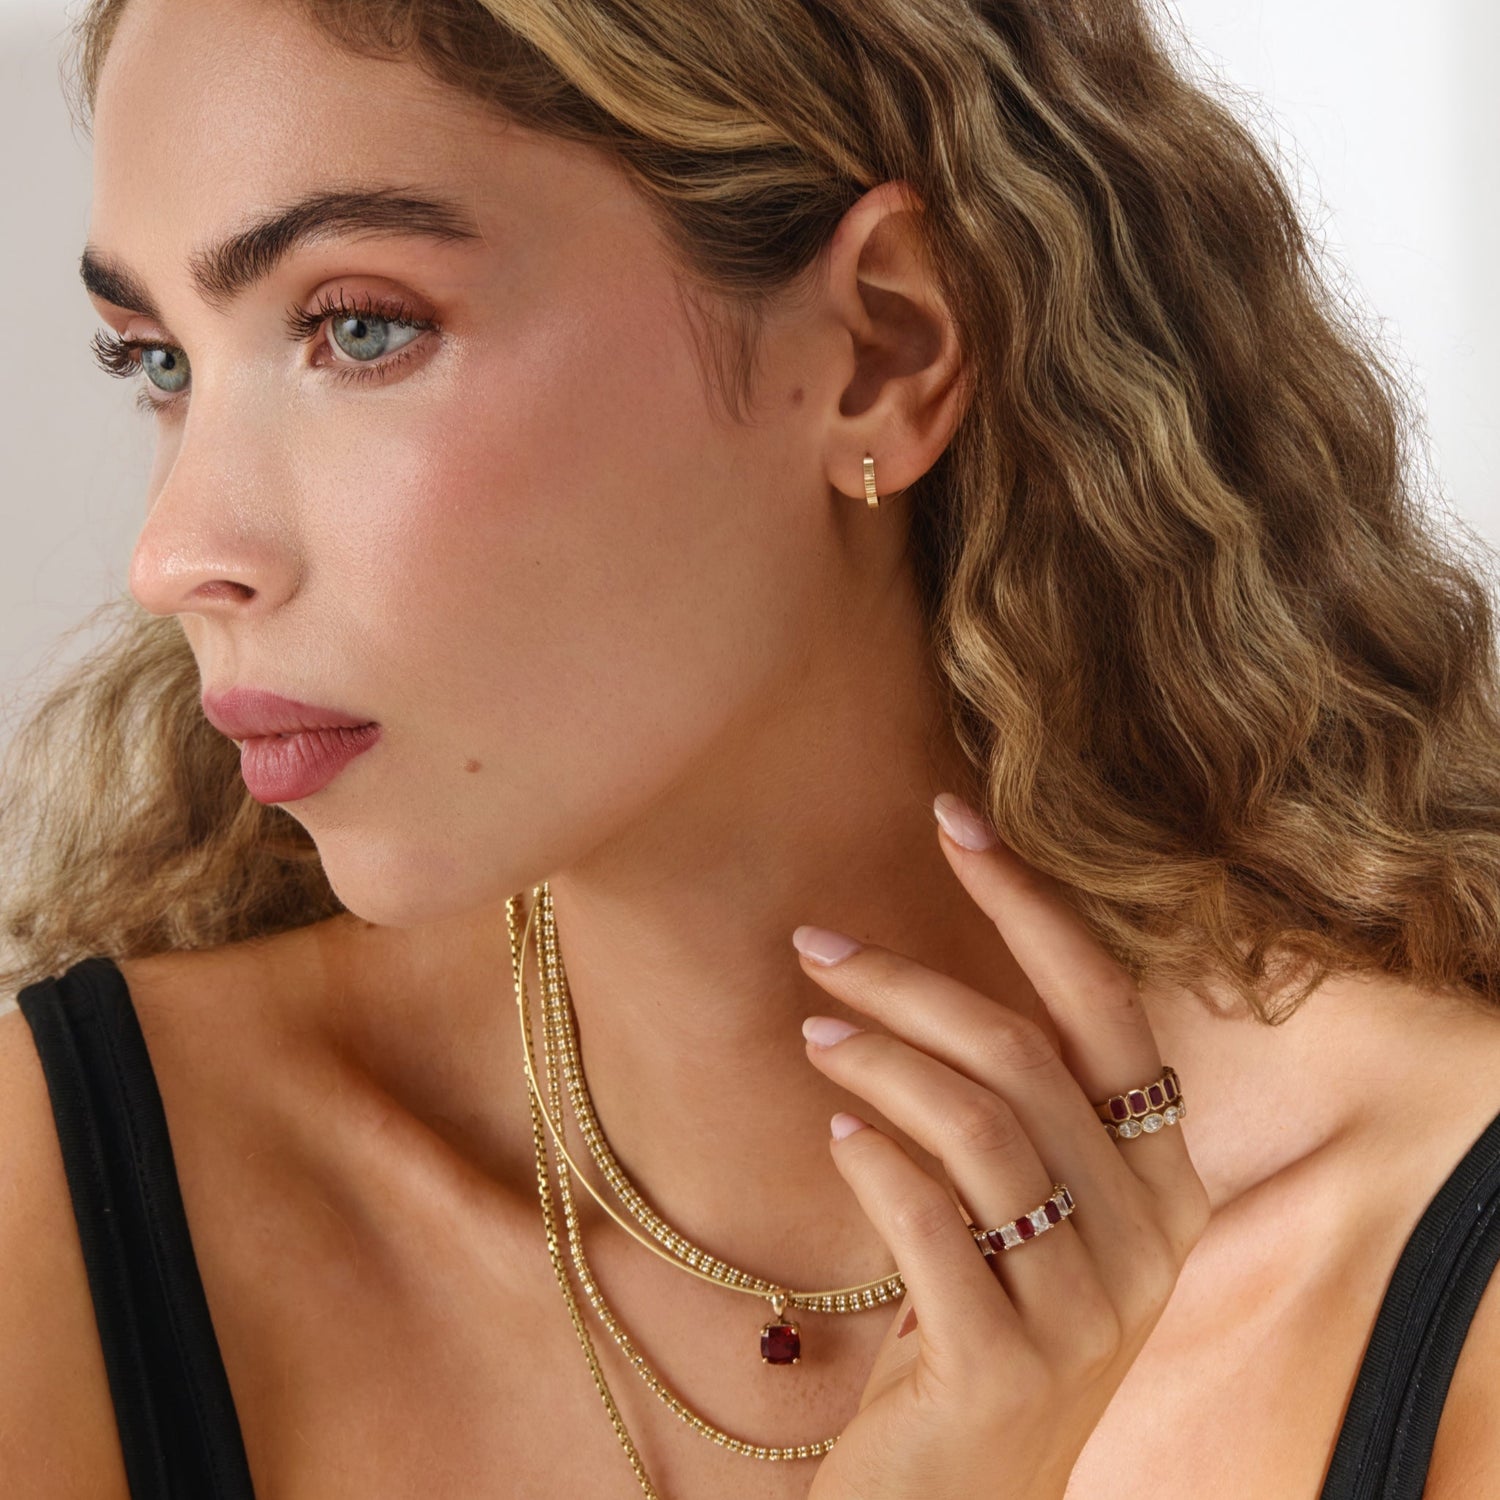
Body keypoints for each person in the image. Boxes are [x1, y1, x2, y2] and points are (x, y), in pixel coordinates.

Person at [2, 0, 1498, 1493]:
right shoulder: (70, 1198)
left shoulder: (1434, 1255)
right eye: (158, 361)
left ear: (880, 351)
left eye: (361, 329)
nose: (178, 552)